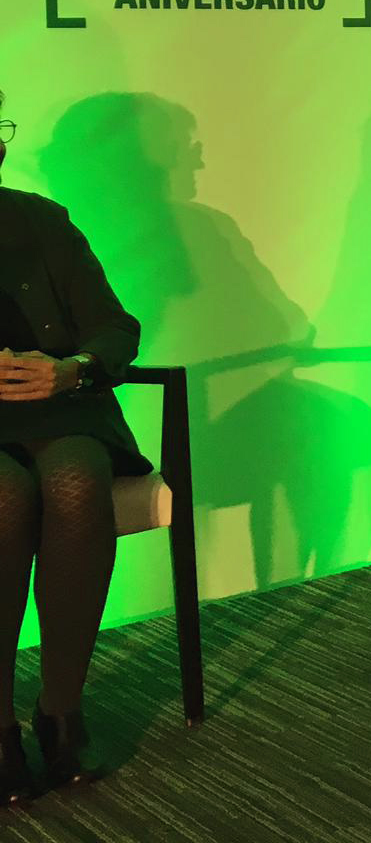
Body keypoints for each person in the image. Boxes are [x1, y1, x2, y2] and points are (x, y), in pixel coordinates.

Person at [0, 91, 145, 799]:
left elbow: (116, 328)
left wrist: (73, 370)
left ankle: (60, 711)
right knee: (3, 497)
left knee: (79, 480)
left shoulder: (41, 219)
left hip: (59, 406)